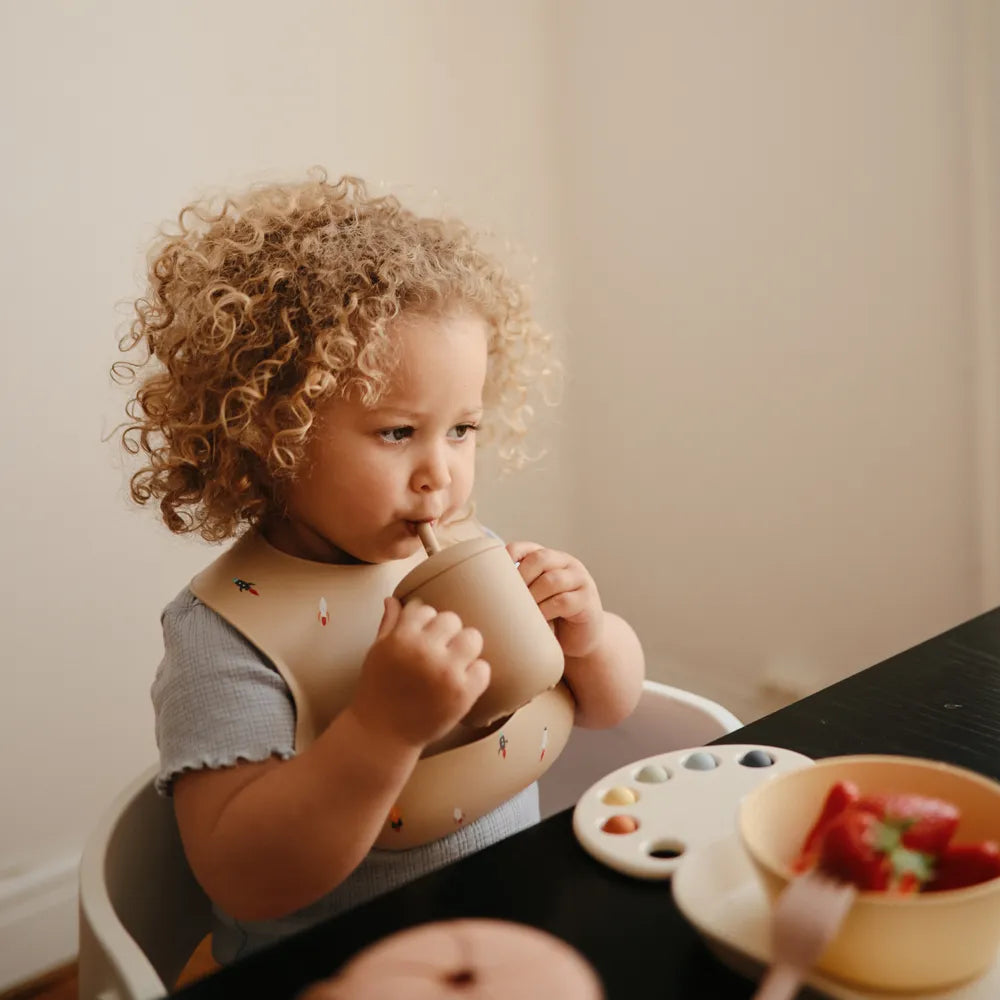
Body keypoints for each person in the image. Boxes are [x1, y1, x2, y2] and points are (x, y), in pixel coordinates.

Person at [114, 172, 645, 965]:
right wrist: (380, 730)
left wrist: (591, 635)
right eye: (398, 433)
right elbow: (248, 877)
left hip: (512, 943)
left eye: (462, 428)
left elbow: (608, 707)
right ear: (274, 430)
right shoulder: (225, 637)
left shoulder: (469, 553)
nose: (442, 474)